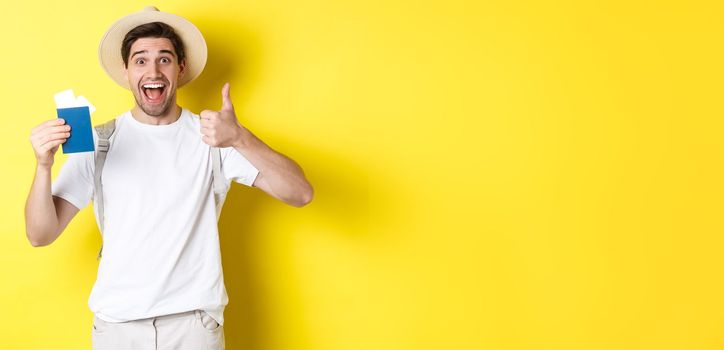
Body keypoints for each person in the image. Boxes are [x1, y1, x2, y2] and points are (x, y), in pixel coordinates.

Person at [24, 6, 313, 350]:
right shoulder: (100, 141)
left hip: (193, 327)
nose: (153, 69)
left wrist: (240, 138)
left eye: (164, 58)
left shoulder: (214, 137)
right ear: (127, 72)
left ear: (180, 67)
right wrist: (43, 166)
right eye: (141, 60)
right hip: (118, 328)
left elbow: (300, 193)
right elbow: (40, 234)